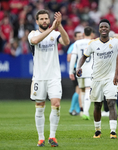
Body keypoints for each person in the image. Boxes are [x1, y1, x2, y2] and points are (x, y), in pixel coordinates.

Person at [28, 9, 70, 147]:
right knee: (39, 107)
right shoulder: (32, 34)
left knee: (56, 104)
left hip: (54, 76)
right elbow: (35, 41)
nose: (45, 21)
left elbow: (66, 41)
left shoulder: (55, 34)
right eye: (42, 19)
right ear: (37, 21)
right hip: (39, 77)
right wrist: (52, 28)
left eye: (46, 18)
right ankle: (41, 138)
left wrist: (59, 26)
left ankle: (52, 137)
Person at [76, 19, 118, 139]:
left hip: (110, 78)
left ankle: (113, 131)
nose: (104, 28)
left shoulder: (115, 42)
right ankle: (97, 130)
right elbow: (83, 57)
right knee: (97, 105)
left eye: (106, 27)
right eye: (101, 27)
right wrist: (79, 67)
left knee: (111, 103)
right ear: (98, 29)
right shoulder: (93, 43)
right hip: (96, 78)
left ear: (109, 29)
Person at [69, 26, 94, 120]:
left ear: (83, 34)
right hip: (90, 70)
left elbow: (73, 57)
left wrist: (71, 71)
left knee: (82, 90)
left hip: (79, 70)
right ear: (91, 34)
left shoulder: (77, 43)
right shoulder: (93, 42)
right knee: (88, 90)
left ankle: (83, 111)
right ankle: (86, 112)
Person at [67, 31, 83, 116]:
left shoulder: (82, 45)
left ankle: (76, 109)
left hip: (81, 70)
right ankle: (72, 109)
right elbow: (69, 59)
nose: (80, 38)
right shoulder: (73, 46)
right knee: (79, 89)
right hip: (76, 69)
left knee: (79, 90)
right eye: (79, 36)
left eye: (81, 36)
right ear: (75, 38)